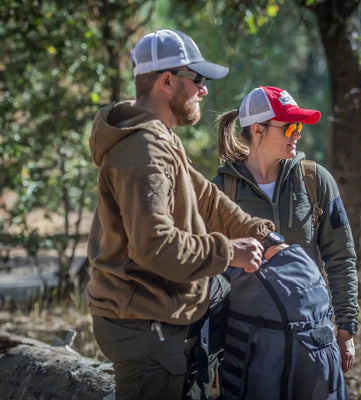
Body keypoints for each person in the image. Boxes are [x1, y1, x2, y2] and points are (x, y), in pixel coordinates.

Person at [86, 30, 281, 400]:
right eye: (198, 80)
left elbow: (206, 198)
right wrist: (228, 252)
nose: (203, 90)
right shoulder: (142, 152)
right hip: (144, 321)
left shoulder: (160, 136)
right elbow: (154, 246)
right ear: (167, 81)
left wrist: (261, 233)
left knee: (234, 293)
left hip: (160, 304)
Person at [212, 86, 359, 375]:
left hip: (311, 334)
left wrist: (345, 330)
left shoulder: (315, 180)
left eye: (299, 126)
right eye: (290, 126)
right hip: (245, 340)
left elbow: (341, 257)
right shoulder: (220, 191)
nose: (298, 134)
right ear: (258, 129)